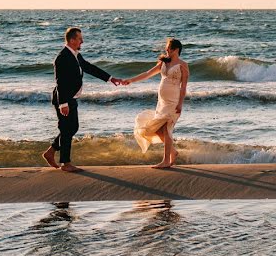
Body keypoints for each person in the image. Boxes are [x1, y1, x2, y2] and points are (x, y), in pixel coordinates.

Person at [43, 27, 126, 172]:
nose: (82, 41)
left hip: (71, 98)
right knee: (67, 129)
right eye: (80, 38)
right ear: (72, 40)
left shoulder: (75, 55)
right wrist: (63, 103)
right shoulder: (62, 57)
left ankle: (50, 152)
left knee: (72, 127)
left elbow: (89, 68)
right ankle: (65, 163)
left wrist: (110, 78)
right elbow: (60, 82)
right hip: (63, 99)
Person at [123, 38, 189, 168]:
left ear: (176, 50)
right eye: (166, 48)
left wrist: (180, 104)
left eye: (169, 48)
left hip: (173, 102)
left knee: (166, 129)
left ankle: (166, 161)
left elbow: (184, 87)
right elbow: (147, 74)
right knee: (158, 129)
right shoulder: (163, 62)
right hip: (162, 102)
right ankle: (173, 152)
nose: (166, 50)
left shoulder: (183, 65)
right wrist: (131, 80)